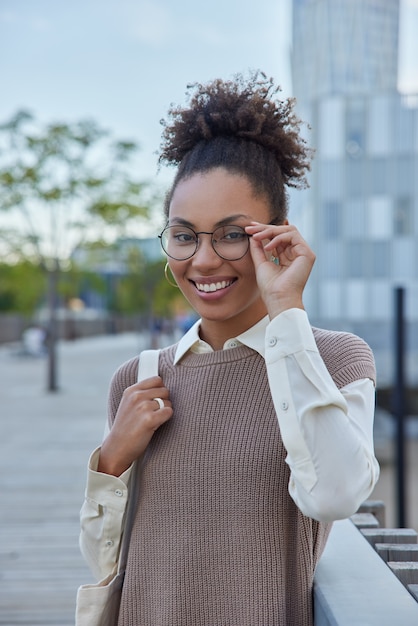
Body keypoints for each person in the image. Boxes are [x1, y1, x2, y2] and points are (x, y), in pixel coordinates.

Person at [80, 71, 379, 625]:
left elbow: (335, 495)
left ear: (279, 236)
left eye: (233, 233)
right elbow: (103, 556)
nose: (204, 260)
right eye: (185, 234)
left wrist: (287, 309)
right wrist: (113, 459)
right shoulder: (138, 378)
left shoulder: (337, 360)